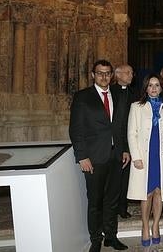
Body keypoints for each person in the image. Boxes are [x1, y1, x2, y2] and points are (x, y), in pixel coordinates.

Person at [69, 59, 130, 252]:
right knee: (95, 201)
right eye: (100, 73)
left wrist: (125, 149)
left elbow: (120, 126)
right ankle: (96, 239)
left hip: (116, 156)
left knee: (112, 199)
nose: (104, 76)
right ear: (93, 75)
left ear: (112, 75)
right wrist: (82, 156)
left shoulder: (118, 96)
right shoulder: (82, 97)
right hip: (94, 158)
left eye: (107, 73)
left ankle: (111, 237)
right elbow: (76, 129)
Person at [127, 73, 163, 247]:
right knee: (145, 192)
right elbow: (131, 134)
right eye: (150, 85)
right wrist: (136, 157)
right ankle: (145, 226)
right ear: (146, 88)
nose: (154, 88)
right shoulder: (136, 107)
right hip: (145, 156)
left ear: (161, 87)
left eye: (157, 85)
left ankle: (156, 226)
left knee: (159, 192)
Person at [111, 64, 137, 219]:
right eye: (128, 72)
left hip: (129, 141)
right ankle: (111, 209)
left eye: (132, 72)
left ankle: (122, 207)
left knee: (125, 179)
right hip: (112, 143)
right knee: (113, 180)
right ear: (118, 74)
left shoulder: (134, 94)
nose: (131, 75)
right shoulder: (110, 92)